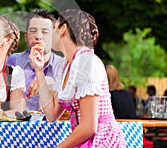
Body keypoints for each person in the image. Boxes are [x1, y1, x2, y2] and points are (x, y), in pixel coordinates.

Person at [29, 9, 125, 147]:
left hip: (101, 140)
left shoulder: (87, 62)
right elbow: (51, 114)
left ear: (63, 29)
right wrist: (39, 70)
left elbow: (89, 126)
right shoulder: (67, 65)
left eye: (54, 26)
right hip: (85, 140)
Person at [6, 9, 64, 111]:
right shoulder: (12, 61)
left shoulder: (63, 65)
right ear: (26, 37)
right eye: (33, 31)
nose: (38, 36)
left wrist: (47, 81)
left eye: (45, 32)